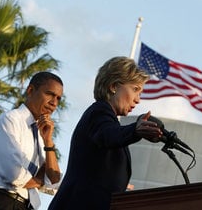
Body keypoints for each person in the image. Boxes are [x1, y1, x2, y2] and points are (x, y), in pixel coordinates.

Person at [48, 56, 163, 210]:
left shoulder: (108, 119)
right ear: (114, 86)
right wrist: (135, 130)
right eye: (135, 89)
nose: (138, 100)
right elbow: (107, 135)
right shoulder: (99, 111)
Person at [0, 71, 63, 210]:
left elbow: (54, 180)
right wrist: (40, 180)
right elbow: (14, 175)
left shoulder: (40, 133)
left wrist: (49, 143)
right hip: (0, 202)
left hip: (23, 205)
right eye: (49, 94)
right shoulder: (10, 120)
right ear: (30, 90)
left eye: (58, 98)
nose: (54, 103)